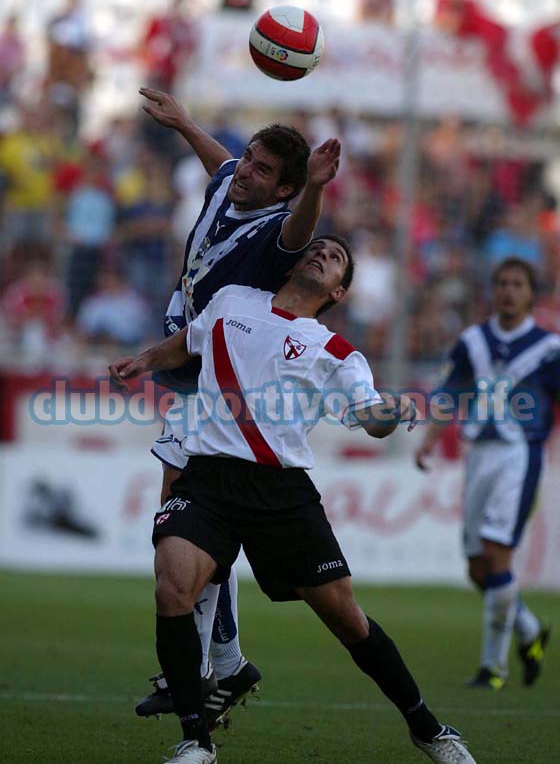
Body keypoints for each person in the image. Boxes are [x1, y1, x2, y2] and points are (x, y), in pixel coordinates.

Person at [109, 236, 477, 764]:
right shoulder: (233, 299)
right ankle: (196, 743)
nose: (322, 254)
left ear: (340, 290)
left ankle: (427, 728)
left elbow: (369, 420)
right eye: (318, 247)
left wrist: (392, 411)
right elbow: (189, 341)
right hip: (209, 478)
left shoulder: (336, 352)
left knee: (348, 619)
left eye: (335, 258)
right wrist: (143, 361)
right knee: (172, 589)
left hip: (281, 491)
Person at [128, 87, 341, 726]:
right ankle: (221, 664)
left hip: (218, 379)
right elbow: (218, 163)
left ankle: (198, 666)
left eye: (263, 170)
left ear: (283, 191)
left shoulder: (278, 227)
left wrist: (316, 189)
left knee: (184, 517)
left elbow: (301, 226)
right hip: (192, 363)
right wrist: (185, 122)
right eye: (249, 158)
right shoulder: (231, 181)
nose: (246, 171)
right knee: (187, 519)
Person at [415, 257, 557, 689]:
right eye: (501, 283)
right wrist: (428, 440)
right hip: (478, 456)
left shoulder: (549, 349)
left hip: (520, 455)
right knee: (478, 569)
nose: (509, 290)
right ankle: (530, 631)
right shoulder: (472, 342)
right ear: (491, 291)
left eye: (517, 284)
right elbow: (448, 394)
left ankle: (492, 669)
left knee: (497, 555)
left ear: (531, 293)